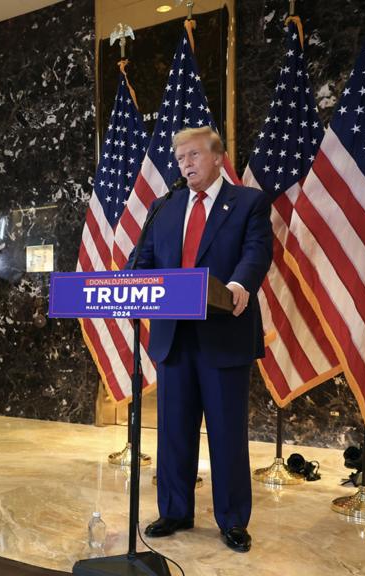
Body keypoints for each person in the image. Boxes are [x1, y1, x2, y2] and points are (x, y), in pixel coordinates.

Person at [132, 126, 272, 554]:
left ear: (217, 158)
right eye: (179, 159)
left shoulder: (248, 202)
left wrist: (239, 284)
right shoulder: (165, 207)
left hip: (224, 332)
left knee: (227, 433)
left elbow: (256, 251)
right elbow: (145, 260)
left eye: (192, 155)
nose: (185, 164)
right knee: (174, 429)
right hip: (174, 335)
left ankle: (232, 520)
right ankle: (175, 510)